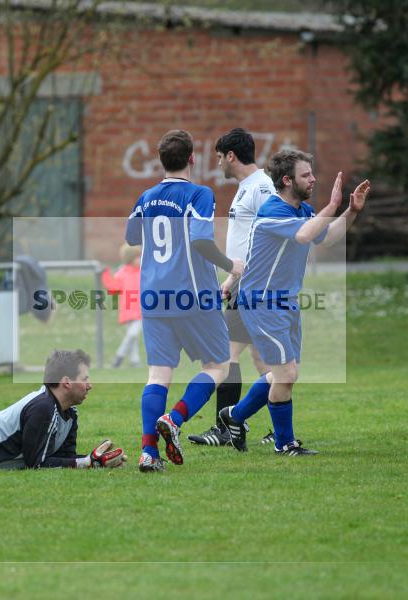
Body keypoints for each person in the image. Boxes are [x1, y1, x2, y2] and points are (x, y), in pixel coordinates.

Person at [220, 150, 370, 456]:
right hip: (261, 303)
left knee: (281, 373)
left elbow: (324, 238)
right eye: (306, 175)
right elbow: (303, 236)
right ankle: (284, 444)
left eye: (312, 174)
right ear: (287, 180)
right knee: (287, 375)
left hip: (285, 302)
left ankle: (234, 416)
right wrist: (331, 206)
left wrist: (351, 211)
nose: (313, 179)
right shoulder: (273, 211)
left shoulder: (301, 211)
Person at [125, 129, 244, 472]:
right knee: (218, 365)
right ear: (192, 159)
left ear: (161, 161)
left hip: (152, 294)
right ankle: (175, 420)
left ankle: (149, 452)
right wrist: (231, 266)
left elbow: (132, 237)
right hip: (192, 294)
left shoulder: (145, 197)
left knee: (158, 374)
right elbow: (202, 242)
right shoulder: (200, 194)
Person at [188, 128, 273, 447]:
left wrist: (234, 279)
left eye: (220, 157)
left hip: (251, 285)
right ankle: (275, 428)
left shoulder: (261, 187)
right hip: (244, 285)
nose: (219, 163)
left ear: (232, 156)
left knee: (225, 355)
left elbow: (265, 238)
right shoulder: (246, 187)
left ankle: (225, 427)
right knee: (264, 362)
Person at [101, 243, 143, 368]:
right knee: (132, 337)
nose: (140, 259)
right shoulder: (122, 273)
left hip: (142, 310)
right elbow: (113, 288)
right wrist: (105, 274)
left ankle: (118, 357)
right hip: (128, 310)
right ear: (131, 259)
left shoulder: (144, 272)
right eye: (138, 257)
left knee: (133, 334)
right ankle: (135, 361)